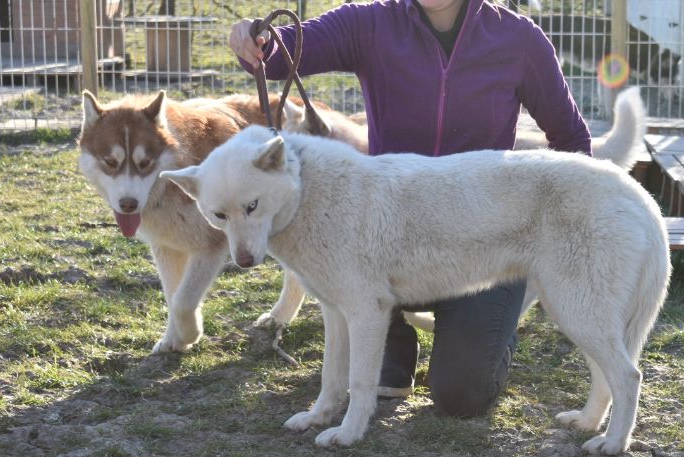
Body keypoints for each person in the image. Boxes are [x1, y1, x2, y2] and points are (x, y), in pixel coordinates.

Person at [229, 0, 591, 418]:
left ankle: (494, 329)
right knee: (376, 363)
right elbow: (285, 53)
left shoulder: (520, 39)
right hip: (386, 234)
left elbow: (572, 142)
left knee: (462, 397)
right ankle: (395, 337)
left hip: (483, 244)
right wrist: (256, 40)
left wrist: (564, 234)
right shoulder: (368, 23)